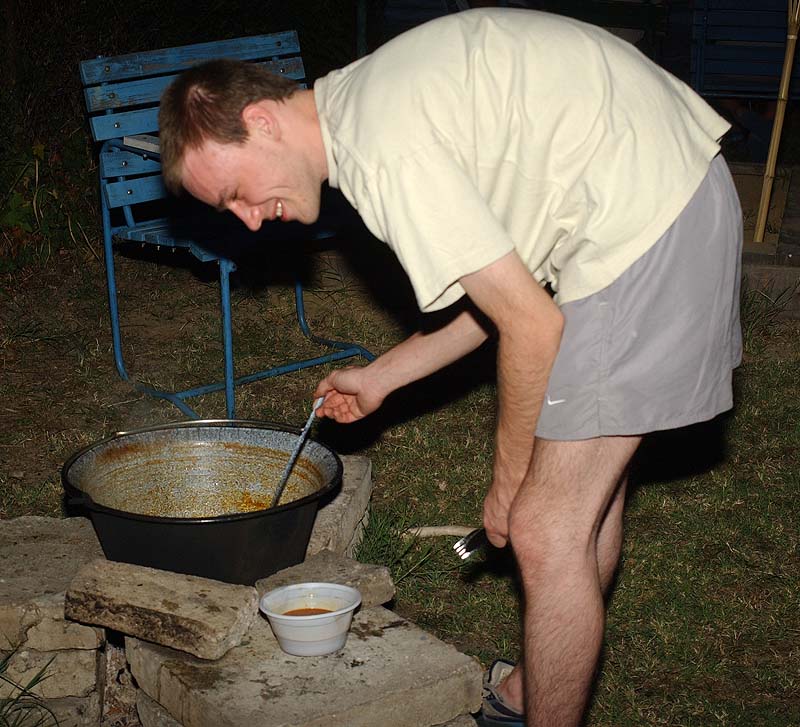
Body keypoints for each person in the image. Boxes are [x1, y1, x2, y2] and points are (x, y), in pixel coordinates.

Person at [158, 8, 742, 725]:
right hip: (658, 194)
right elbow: (507, 292)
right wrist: (382, 377)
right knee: (577, 508)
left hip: (645, 223)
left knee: (545, 524)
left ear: (262, 121)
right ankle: (529, 691)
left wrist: (510, 479)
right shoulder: (365, 106)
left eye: (234, 194)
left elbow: (530, 324)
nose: (248, 219)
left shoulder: (384, 148)